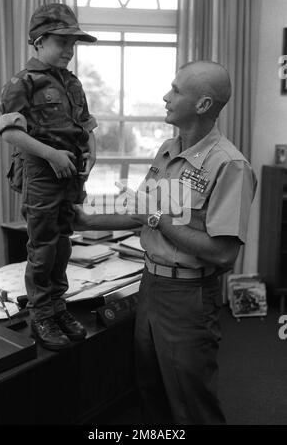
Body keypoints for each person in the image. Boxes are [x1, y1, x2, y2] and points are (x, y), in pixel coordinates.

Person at [75, 60, 257, 424]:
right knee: (151, 390)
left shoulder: (230, 166)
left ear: (203, 105)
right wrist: (83, 217)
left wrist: (157, 219)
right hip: (151, 285)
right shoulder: (167, 149)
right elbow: (138, 209)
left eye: (175, 90)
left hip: (189, 297)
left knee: (191, 401)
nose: (165, 96)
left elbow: (223, 252)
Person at [0, 3, 98, 351]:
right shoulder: (22, 82)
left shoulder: (72, 82)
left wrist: (92, 150)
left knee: (63, 243)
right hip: (42, 171)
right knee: (42, 247)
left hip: (70, 172)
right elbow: (9, 132)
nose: (69, 51)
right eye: (61, 43)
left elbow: (85, 124)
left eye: (73, 45)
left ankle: (58, 306)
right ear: (39, 41)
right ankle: (41, 314)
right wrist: (50, 154)